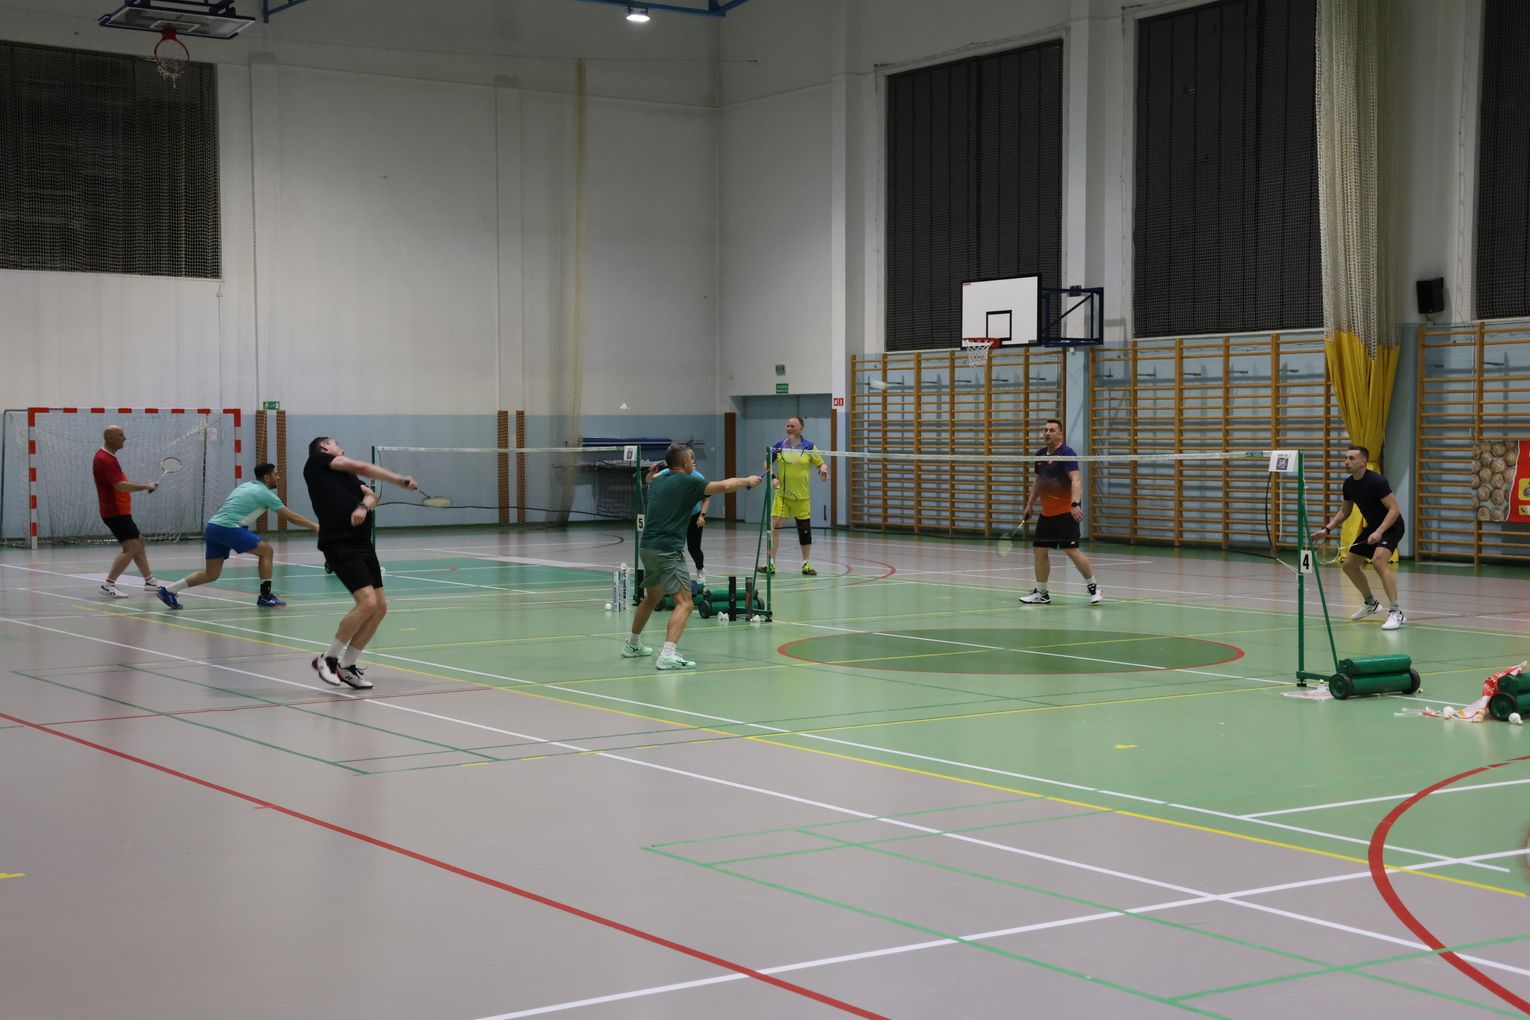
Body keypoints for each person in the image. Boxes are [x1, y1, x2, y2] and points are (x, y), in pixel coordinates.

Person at [625, 444, 760, 670]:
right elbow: (726, 486)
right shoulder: (689, 482)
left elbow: (649, 479)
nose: (693, 462)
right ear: (684, 462)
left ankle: (632, 644)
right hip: (668, 551)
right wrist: (747, 480)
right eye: (691, 458)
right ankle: (667, 654)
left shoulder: (656, 482)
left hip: (647, 549)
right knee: (685, 603)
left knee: (652, 598)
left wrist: (651, 474)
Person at [303, 437, 418, 689]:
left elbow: (372, 496)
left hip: (363, 544)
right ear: (324, 447)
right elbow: (362, 466)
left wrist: (363, 507)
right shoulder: (317, 462)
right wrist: (398, 479)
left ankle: (347, 666)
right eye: (337, 444)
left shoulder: (346, 477)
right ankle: (327, 659)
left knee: (380, 608)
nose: (342, 448)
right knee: (367, 602)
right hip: (339, 543)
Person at [155, 463, 319, 610]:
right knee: (266, 551)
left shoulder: (245, 486)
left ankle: (169, 590)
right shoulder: (266, 494)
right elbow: (291, 517)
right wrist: (314, 525)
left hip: (213, 527)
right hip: (228, 527)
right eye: (276, 474)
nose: (279, 477)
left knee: (211, 574)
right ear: (267, 477)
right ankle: (265, 596)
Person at [1312, 444, 1406, 631]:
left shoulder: (1377, 481)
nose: (1347, 461)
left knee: (1378, 561)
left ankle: (1396, 612)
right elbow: (1345, 512)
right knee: (1349, 565)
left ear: (1363, 462)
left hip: (1391, 526)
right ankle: (1371, 603)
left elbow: (1394, 510)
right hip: (1372, 528)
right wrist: (1327, 529)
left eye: (1351, 458)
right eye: (1346, 458)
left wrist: (1379, 531)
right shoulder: (1349, 484)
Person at [1018, 418, 1102, 605]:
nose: (1047, 433)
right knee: (1040, 550)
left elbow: (1076, 480)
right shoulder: (1040, 455)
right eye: (1045, 430)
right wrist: (1030, 504)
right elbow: (1039, 482)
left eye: (1052, 430)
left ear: (1060, 435)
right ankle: (1042, 593)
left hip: (1065, 512)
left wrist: (1075, 503)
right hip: (1047, 513)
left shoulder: (1066, 454)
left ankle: (1093, 586)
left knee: (1071, 550)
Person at [92, 425, 163, 598]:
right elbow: (120, 485)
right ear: (109, 438)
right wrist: (145, 486)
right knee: (131, 547)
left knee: (139, 541)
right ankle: (108, 584)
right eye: (120, 435)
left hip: (120, 510)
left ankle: (150, 581)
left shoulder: (109, 458)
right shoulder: (105, 459)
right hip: (114, 511)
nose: (124, 438)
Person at [760, 416, 830, 575]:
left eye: (792, 426)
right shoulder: (779, 446)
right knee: (774, 528)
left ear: (801, 428)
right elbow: (766, 463)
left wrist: (823, 471)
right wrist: (773, 477)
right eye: (788, 426)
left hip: (802, 497)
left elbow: (821, 463)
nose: (789, 428)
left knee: (804, 531)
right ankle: (770, 563)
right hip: (782, 496)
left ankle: (806, 564)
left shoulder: (809, 446)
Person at [648, 456, 711, 592]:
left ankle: (700, 570)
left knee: (694, 548)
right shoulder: (668, 473)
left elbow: (706, 499)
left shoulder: (698, 477)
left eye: (692, 460)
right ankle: (671, 576)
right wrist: (651, 473)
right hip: (676, 517)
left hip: (694, 517)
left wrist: (702, 516)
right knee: (672, 546)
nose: (691, 462)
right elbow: (649, 480)